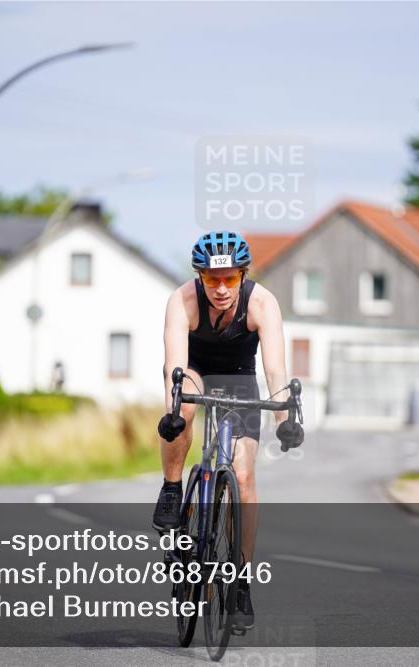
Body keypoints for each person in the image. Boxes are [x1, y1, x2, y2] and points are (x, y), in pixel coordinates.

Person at [153, 230, 305, 630]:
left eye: (230, 279)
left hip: (239, 378)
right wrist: (175, 410)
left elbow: (275, 370)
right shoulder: (181, 301)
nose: (221, 289)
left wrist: (284, 421)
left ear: (243, 275)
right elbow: (176, 368)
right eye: (211, 280)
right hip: (196, 372)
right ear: (199, 277)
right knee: (182, 408)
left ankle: (240, 582)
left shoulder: (262, 303)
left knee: (243, 475)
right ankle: (171, 489)